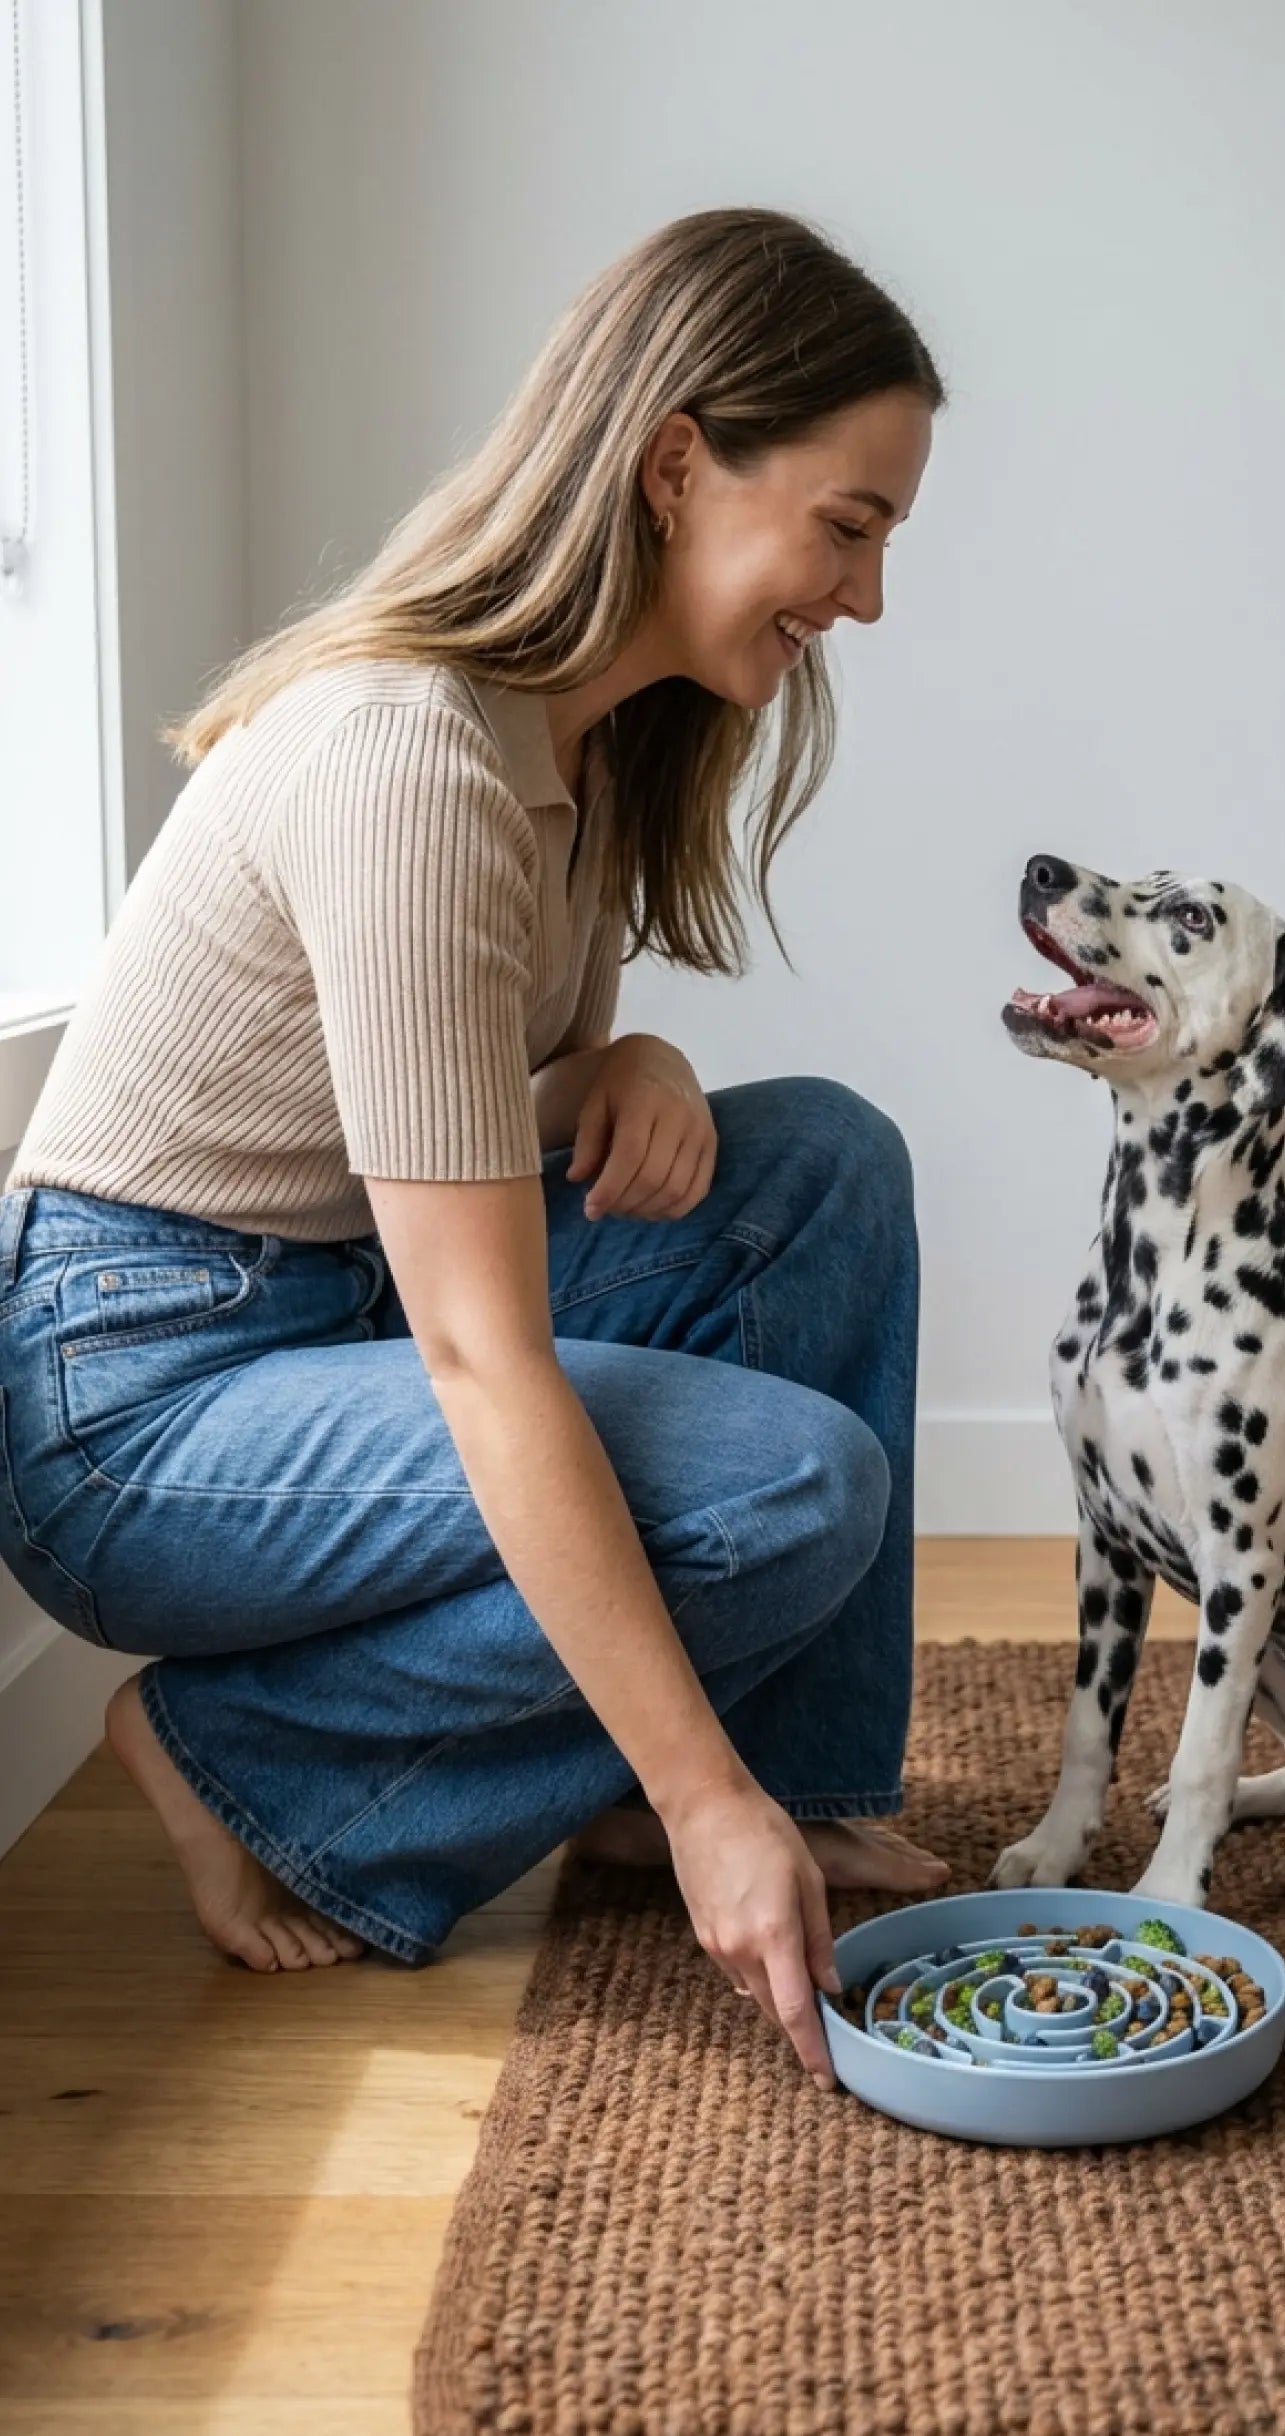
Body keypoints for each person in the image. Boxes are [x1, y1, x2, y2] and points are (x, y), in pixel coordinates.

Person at [0, 207, 949, 2091]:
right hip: (137, 1399)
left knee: (825, 1159)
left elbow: (447, 1125)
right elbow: (478, 1347)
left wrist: (637, 1057)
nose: (861, 601)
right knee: (783, 1487)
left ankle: (802, 1789)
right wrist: (694, 1808)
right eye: (847, 527)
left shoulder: (577, 753)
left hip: (321, 1299)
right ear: (678, 464)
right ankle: (251, 1766)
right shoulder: (411, 758)